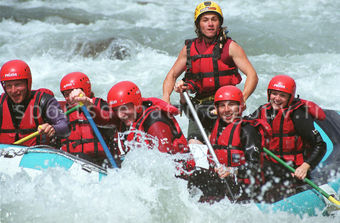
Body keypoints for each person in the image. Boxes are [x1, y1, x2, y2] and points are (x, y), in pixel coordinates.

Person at [162, 1, 258, 144]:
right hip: (198, 108)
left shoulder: (231, 47)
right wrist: (166, 99)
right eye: (205, 20)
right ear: (198, 25)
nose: (210, 24)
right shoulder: (189, 48)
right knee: (195, 147)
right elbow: (172, 75)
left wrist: (242, 100)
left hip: (225, 107)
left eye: (214, 19)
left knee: (224, 148)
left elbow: (252, 75)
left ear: (220, 23)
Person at [248, 74, 327, 202]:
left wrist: (305, 166)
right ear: (269, 94)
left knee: (274, 196)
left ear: (290, 97)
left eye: (282, 96)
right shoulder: (263, 110)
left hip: (293, 171)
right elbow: (244, 127)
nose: (277, 99)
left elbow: (321, 145)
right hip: (270, 169)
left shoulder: (298, 115)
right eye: (274, 94)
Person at [185, 86, 266, 203]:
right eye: (222, 105)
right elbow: (192, 113)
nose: (226, 110)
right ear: (216, 109)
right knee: (196, 175)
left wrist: (232, 171)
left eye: (232, 104)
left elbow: (255, 167)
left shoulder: (247, 130)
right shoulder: (214, 123)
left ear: (241, 106)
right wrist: (183, 94)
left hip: (243, 188)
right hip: (220, 183)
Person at [71, 81, 189, 155]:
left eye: (123, 108)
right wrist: (87, 102)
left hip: (181, 179)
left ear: (136, 104)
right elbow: (103, 118)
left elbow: (165, 162)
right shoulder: (125, 118)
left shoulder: (154, 121)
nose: (120, 114)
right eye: (116, 110)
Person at [0, 59, 70, 146]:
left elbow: (65, 126)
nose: (13, 90)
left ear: (27, 83)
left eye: (18, 84)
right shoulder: (1, 103)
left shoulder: (44, 101)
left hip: (37, 156)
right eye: (9, 86)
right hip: (5, 156)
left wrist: (53, 128)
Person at [58, 72, 118, 166]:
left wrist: (87, 103)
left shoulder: (100, 105)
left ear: (85, 90)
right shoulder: (62, 112)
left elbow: (108, 119)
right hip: (72, 162)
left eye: (73, 93)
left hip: (101, 163)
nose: (71, 98)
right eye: (66, 94)